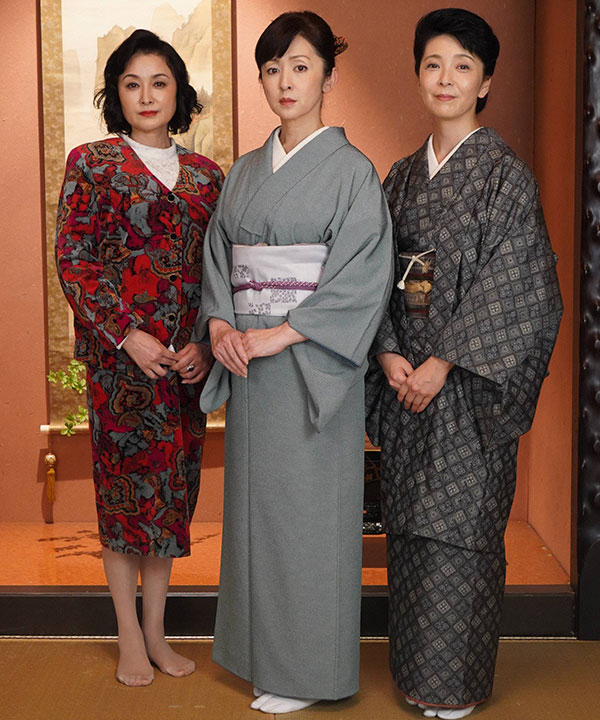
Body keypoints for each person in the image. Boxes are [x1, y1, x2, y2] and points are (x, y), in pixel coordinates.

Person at [365, 8, 562, 719]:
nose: (445, 78)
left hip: (465, 389)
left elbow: (522, 286)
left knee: (464, 531)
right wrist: (387, 349)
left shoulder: (506, 179)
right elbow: (370, 273)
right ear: (418, 75)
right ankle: (417, 675)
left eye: (463, 66)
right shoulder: (398, 178)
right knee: (410, 527)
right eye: (433, 64)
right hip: (405, 382)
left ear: (485, 82)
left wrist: (444, 362)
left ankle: (454, 685)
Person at [197, 11, 393, 715]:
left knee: (310, 520)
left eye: (302, 66)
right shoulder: (244, 173)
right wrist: (221, 322)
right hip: (249, 366)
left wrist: (281, 334)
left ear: (328, 79)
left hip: (311, 367)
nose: (286, 81)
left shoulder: (352, 173)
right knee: (256, 517)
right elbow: (219, 259)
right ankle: (264, 658)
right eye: (273, 68)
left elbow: (362, 278)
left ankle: (310, 671)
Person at [55, 29, 223, 687]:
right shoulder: (92, 163)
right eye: (132, 84)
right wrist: (127, 334)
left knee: (171, 500)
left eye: (159, 82)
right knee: (125, 500)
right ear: (115, 95)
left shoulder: (208, 177)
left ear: (179, 91)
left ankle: (157, 632)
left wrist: (206, 344)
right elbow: (73, 259)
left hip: (184, 368)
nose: (147, 96)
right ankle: (128, 634)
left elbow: (219, 272)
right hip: (120, 368)